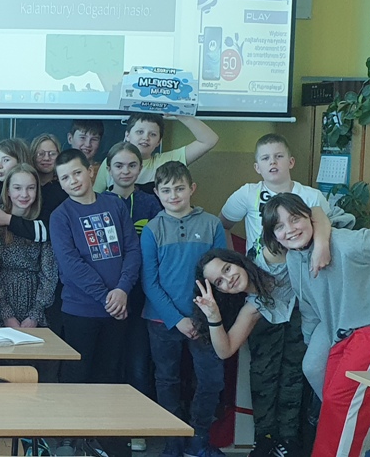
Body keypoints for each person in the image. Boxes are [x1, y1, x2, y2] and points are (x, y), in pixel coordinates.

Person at [217, 133, 334, 456]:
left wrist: (321, 245)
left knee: (295, 368)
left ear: (291, 161)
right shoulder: (247, 194)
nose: (273, 162)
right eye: (266, 158)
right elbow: (222, 223)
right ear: (257, 166)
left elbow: (323, 223)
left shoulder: (310, 196)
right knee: (264, 369)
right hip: (263, 295)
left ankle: (290, 439)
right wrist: (238, 263)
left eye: (279, 156)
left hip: (303, 295)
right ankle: (265, 438)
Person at [256, 193, 370, 457]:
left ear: (311, 219)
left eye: (295, 219)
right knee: (327, 389)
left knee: (341, 400)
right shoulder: (294, 259)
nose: (290, 229)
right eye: (280, 226)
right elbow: (308, 306)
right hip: (340, 327)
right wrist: (313, 342)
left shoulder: (348, 244)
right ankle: (357, 437)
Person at [49, 148, 140, 455]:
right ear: (60, 183)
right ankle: (71, 439)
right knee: (78, 376)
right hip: (81, 311)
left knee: (110, 375)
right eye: (65, 178)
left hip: (119, 308)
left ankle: (104, 439)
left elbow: (132, 250)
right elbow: (71, 264)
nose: (73, 181)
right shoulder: (60, 216)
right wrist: (106, 297)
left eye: (77, 172)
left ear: (91, 171)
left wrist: (123, 289)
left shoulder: (114, 205)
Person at [141, 161, 227, 457]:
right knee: (167, 380)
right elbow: (149, 282)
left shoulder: (212, 224)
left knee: (211, 379)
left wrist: (202, 317)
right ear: (157, 193)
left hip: (205, 319)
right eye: (166, 190)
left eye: (179, 188)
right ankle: (173, 439)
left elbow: (222, 276)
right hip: (162, 320)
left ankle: (199, 437)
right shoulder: (152, 230)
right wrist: (176, 319)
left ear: (192, 189)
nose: (173, 195)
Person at [193, 248, 306, 455]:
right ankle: (271, 440)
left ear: (237, 261)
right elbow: (225, 350)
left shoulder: (271, 260)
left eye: (227, 269)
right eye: (219, 282)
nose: (229, 279)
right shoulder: (252, 307)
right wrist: (213, 316)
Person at [103, 141, 163, 452]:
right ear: (108, 169)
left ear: (141, 169)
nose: (125, 171)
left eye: (131, 166)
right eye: (118, 165)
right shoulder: (99, 202)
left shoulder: (152, 204)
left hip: (143, 295)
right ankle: (109, 427)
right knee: (110, 363)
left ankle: (138, 427)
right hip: (108, 297)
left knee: (139, 364)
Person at [0, 163, 57, 352]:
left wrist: (35, 314)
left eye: (30, 188)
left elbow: (49, 273)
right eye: (17, 188)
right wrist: (6, 313)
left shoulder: (42, 223)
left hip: (35, 300)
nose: (24, 194)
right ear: (8, 191)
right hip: (1, 300)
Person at [93, 113, 219, 193]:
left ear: (159, 141)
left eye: (152, 134)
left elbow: (209, 140)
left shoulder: (166, 161)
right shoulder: (113, 162)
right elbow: (95, 198)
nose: (145, 138)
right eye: (140, 132)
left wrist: (180, 114)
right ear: (127, 135)